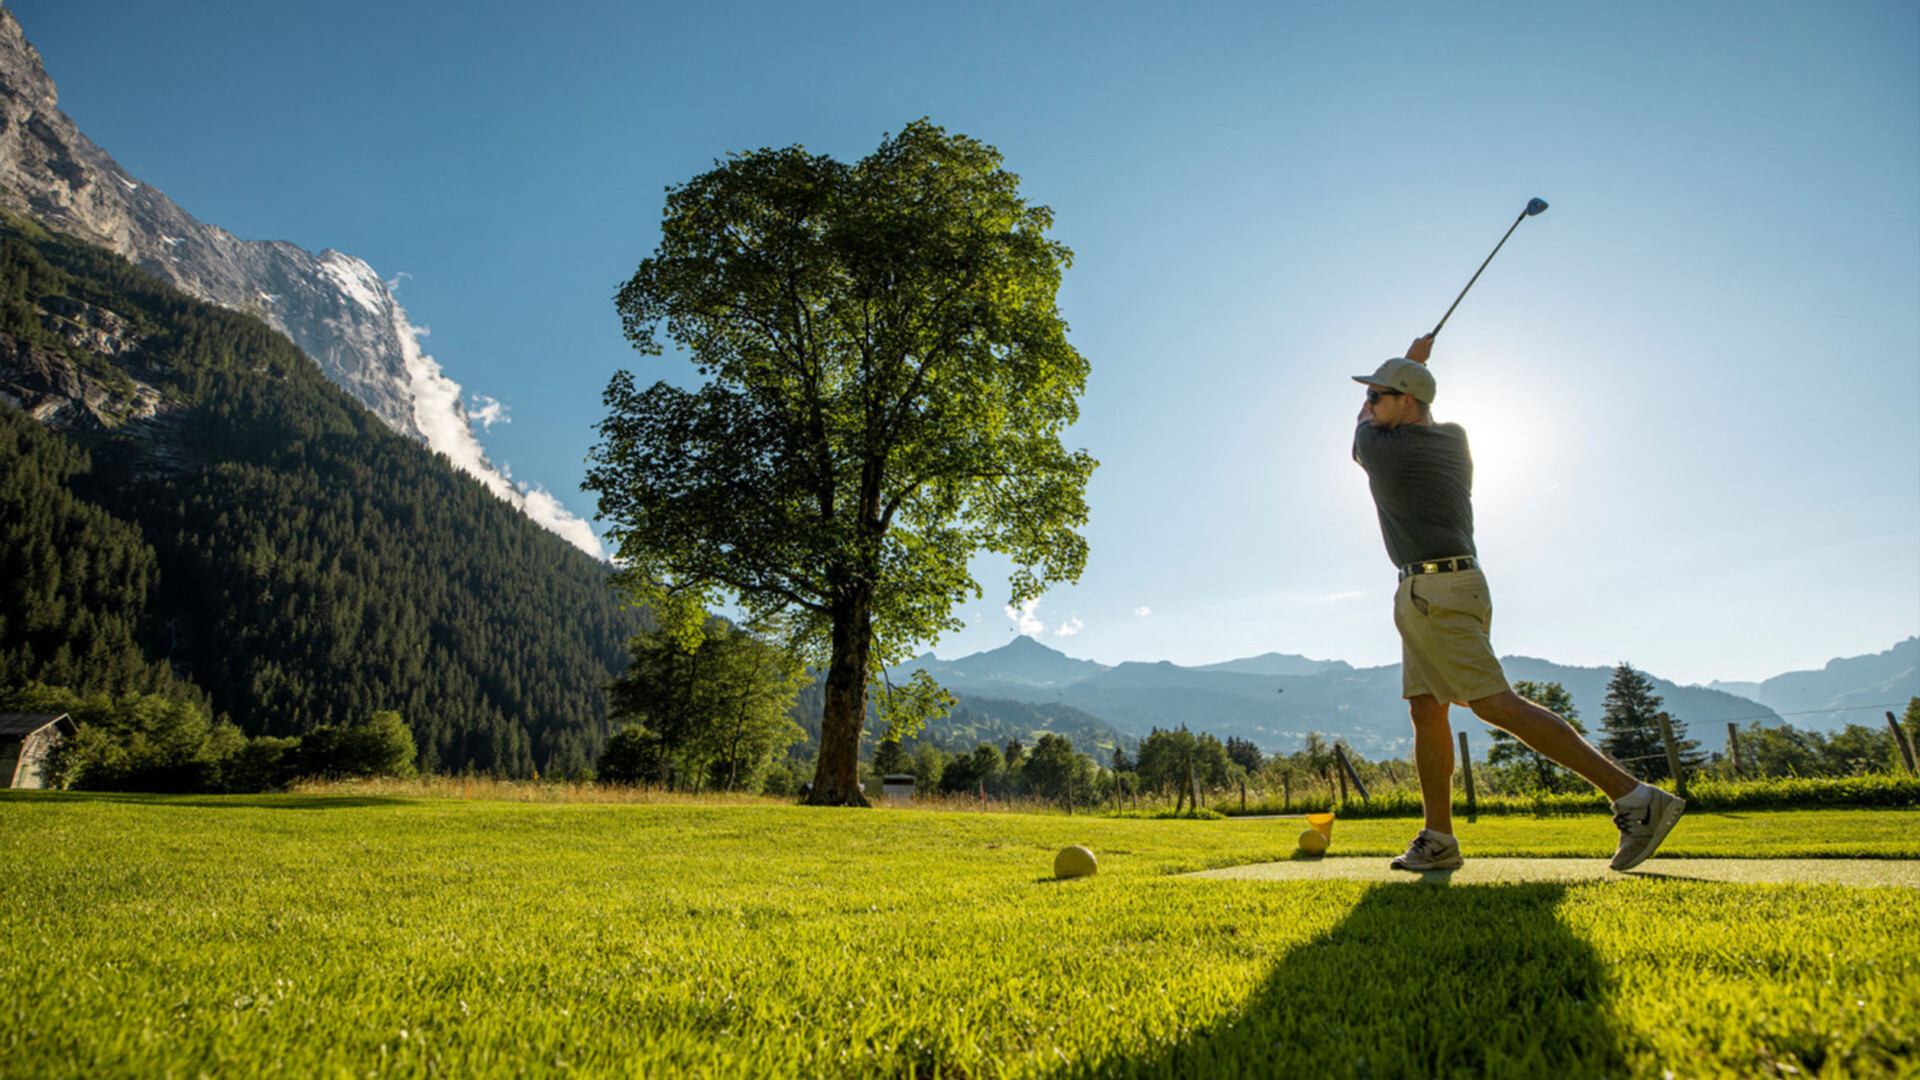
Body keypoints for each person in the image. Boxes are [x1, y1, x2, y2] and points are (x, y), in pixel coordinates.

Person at [1351, 333, 1684, 871]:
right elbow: (1384, 414)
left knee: (1492, 702)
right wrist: (1407, 370)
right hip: (1442, 587)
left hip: (1437, 592)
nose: (1368, 403)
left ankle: (1635, 798)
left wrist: (1410, 360)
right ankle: (1439, 838)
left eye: (1377, 395)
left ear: (1406, 401)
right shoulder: (1453, 439)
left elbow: (1358, 431)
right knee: (1425, 708)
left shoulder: (1388, 450)